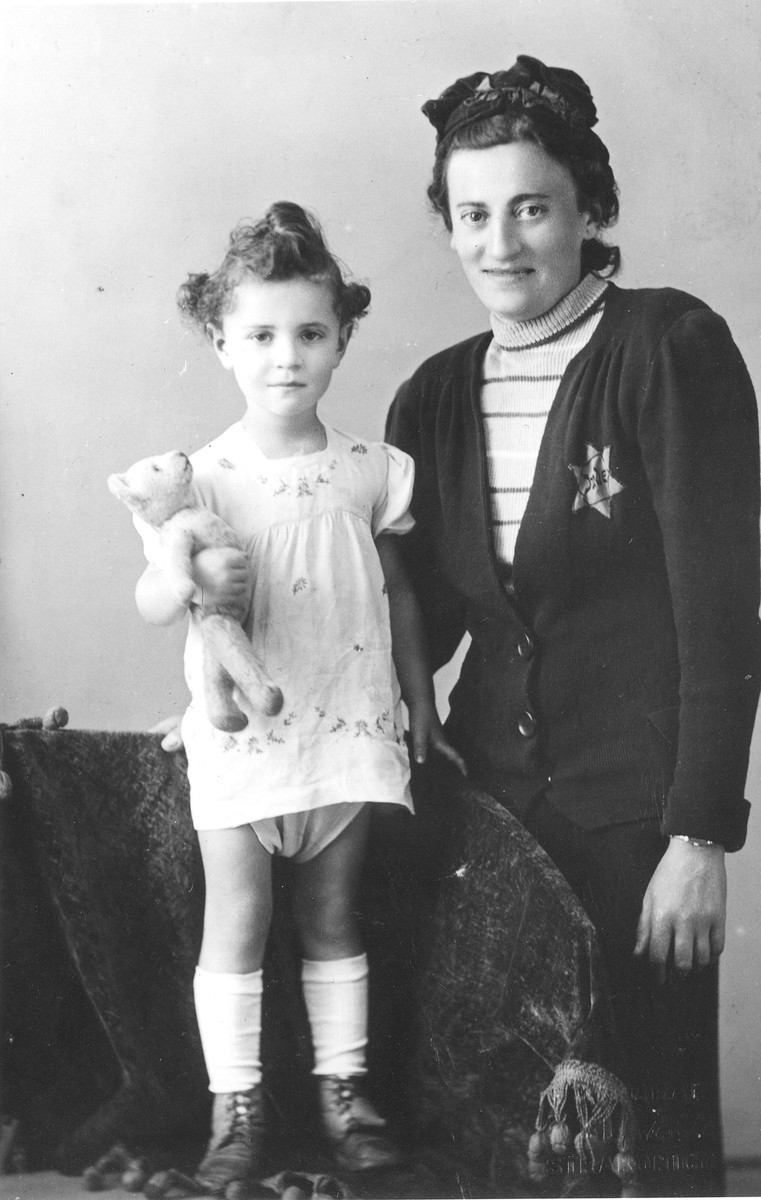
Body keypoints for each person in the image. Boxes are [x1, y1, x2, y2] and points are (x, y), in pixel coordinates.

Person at [385, 55, 760, 1195]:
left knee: (643, 1155)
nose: (499, 244)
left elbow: (724, 613)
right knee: (501, 1150)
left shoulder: (666, 347)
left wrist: (699, 839)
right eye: (472, 214)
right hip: (487, 829)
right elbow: (405, 624)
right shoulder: (432, 397)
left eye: (531, 209)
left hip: (636, 832)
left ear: (589, 210)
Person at [131, 201, 463, 1196]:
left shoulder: (369, 469)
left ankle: (342, 1092)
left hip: (345, 730)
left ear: (341, 339)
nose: (287, 357)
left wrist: (421, 707)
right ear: (220, 342)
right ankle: (235, 1108)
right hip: (245, 746)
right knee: (235, 923)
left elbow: (399, 594)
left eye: (310, 333)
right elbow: (154, 598)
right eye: (262, 335)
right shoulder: (201, 479)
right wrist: (189, 585)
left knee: (332, 917)